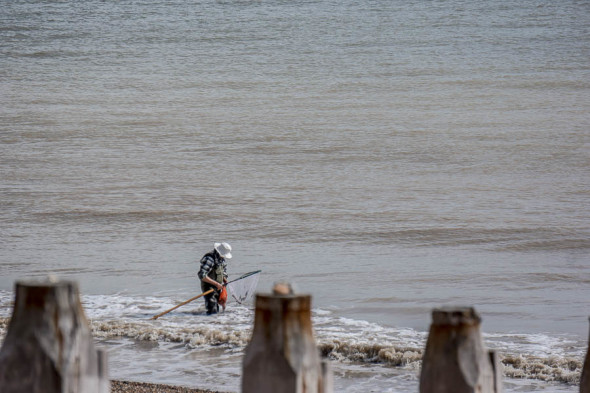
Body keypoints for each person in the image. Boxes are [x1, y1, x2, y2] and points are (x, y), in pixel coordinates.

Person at [197, 242, 231, 315]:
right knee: (212, 309)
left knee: (217, 307)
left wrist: (224, 280)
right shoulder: (209, 258)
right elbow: (202, 275)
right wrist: (216, 284)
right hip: (208, 286)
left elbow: (223, 272)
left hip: (218, 286)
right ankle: (208, 324)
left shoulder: (222, 260)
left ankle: (216, 323)